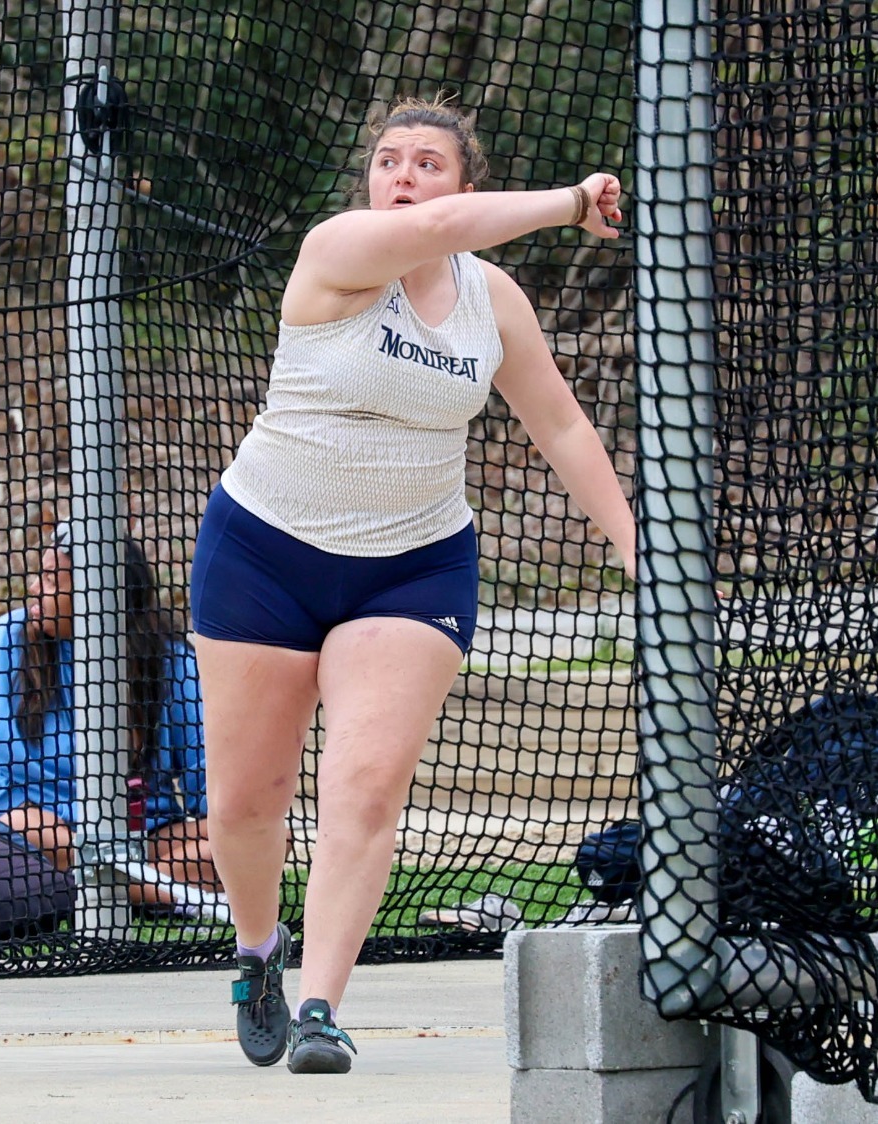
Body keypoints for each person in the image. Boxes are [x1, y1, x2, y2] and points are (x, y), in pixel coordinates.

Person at [191, 95, 636, 1075]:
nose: (402, 176)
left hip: (413, 563)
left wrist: (632, 543)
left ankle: (318, 1005)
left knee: (363, 784)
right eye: (388, 159)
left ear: (464, 184)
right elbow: (423, 234)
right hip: (263, 549)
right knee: (244, 800)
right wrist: (570, 202)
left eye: (427, 163)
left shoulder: (492, 301)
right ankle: (256, 951)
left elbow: (558, 424)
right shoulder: (339, 251)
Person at [0, 527, 217, 914]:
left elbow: (207, 763)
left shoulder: (170, 659)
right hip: (41, 838)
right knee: (49, 844)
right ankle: (158, 894)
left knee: (262, 839)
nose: (33, 588)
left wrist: (223, 822)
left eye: (49, 580)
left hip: (143, 835)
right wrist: (7, 803)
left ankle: (117, 888)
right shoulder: (0, 644)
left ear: (96, 597)